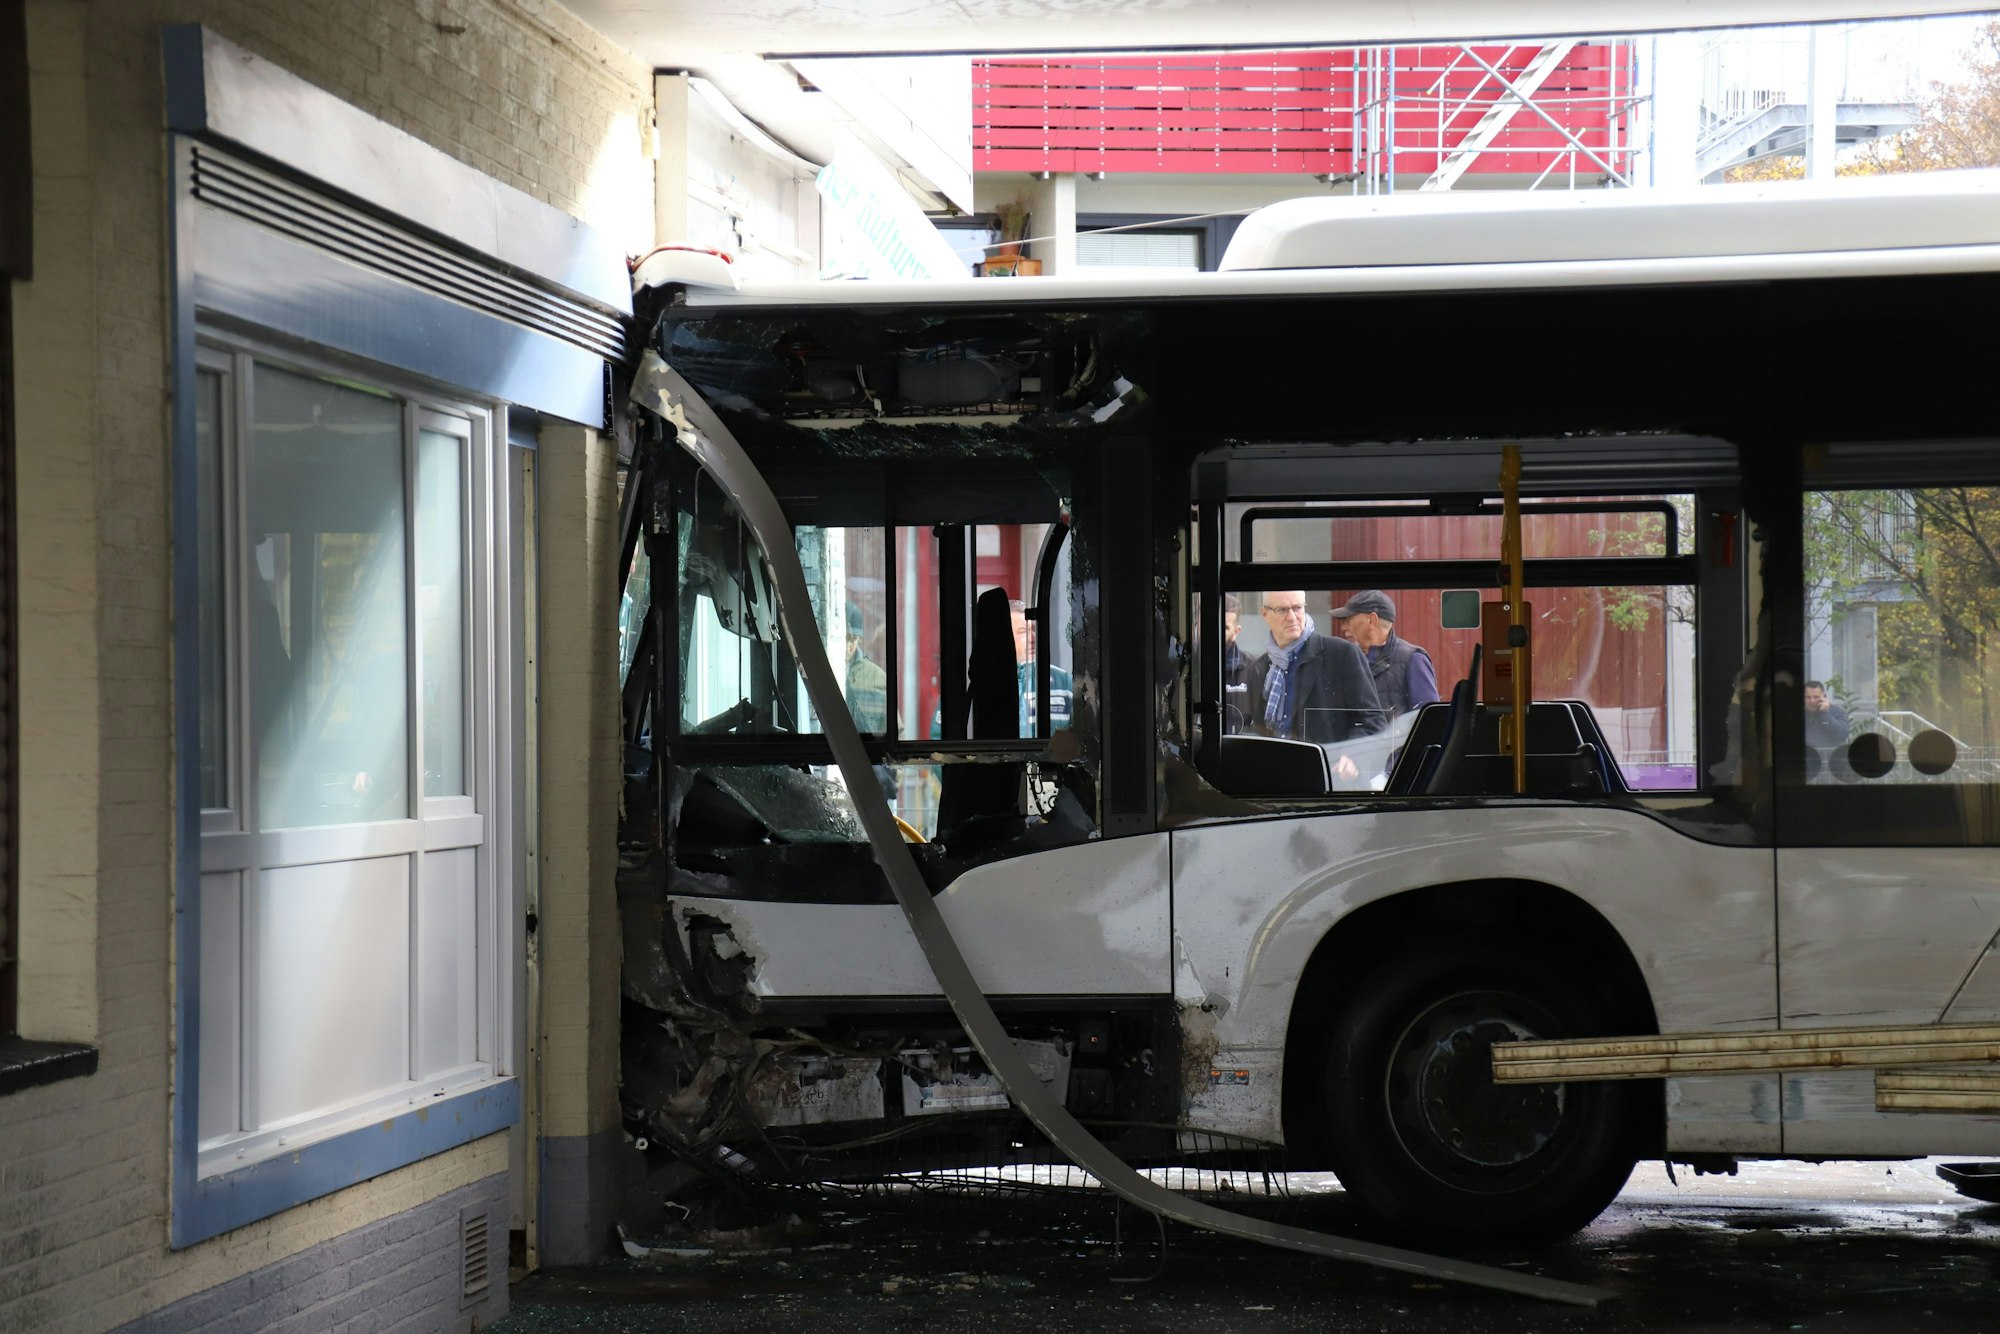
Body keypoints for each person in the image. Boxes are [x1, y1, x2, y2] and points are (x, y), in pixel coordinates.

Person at [1245, 590, 1386, 779]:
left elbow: (1374, 722)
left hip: (1331, 783)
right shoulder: (1260, 667)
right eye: (1282, 610)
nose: (1292, 617)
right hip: (1277, 784)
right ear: (1265, 614)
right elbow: (1257, 731)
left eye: (1297, 608)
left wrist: (1354, 758)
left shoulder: (1341, 654)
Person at [1331, 590, 1439, 721]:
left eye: (1348, 620)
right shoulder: (1349, 660)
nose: (1343, 627)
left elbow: (1429, 720)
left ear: (1372, 620)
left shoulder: (1413, 659)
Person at [1009, 598, 1072, 735]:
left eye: (1033, 630)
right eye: (1023, 632)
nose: (1033, 638)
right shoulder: (987, 684)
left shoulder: (1062, 681)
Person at [1220, 593, 1251, 729]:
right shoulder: (1187, 665)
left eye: (1224, 628)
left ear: (1236, 632)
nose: (1216, 632)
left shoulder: (1254, 668)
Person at [1804, 680, 1850, 752]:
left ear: (1824, 697)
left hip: (1828, 759)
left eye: (1816, 697)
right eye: (1808, 697)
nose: (1812, 701)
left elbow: (1842, 735)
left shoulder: (1838, 712)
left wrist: (1825, 714)